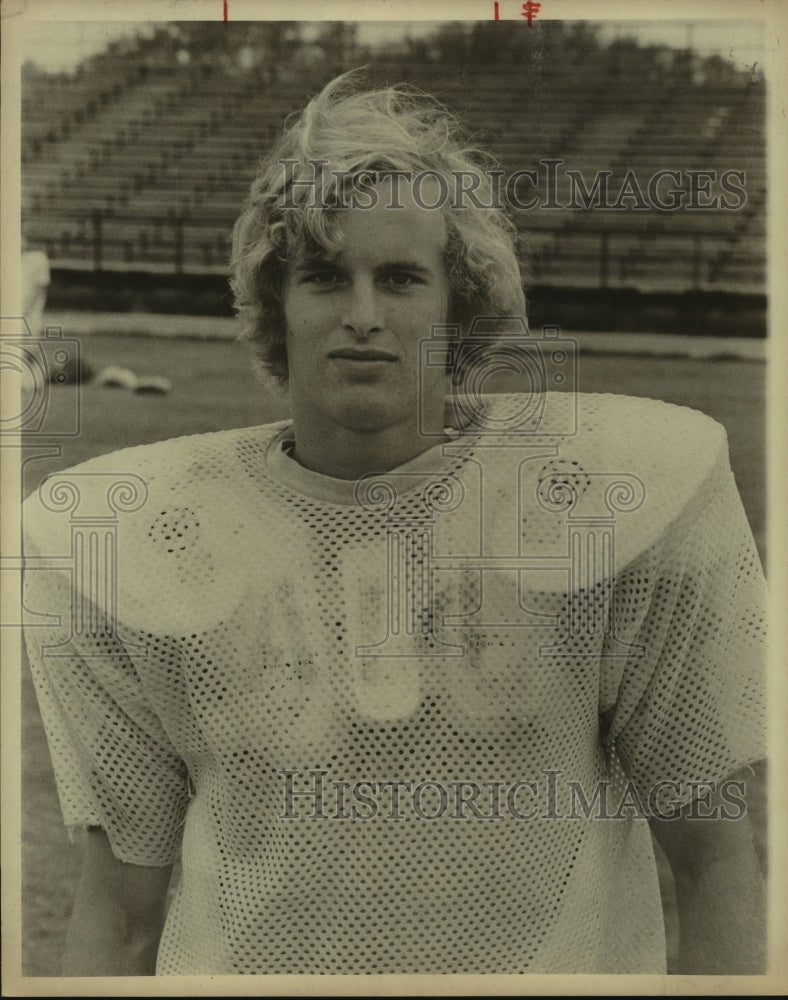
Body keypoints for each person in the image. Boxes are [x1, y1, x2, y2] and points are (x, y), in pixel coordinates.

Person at [23, 71, 766, 976]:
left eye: (402, 278)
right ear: (275, 303)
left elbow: (717, 863)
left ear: (458, 305)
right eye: (328, 278)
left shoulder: (604, 504)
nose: (364, 316)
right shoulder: (146, 540)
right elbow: (120, 915)